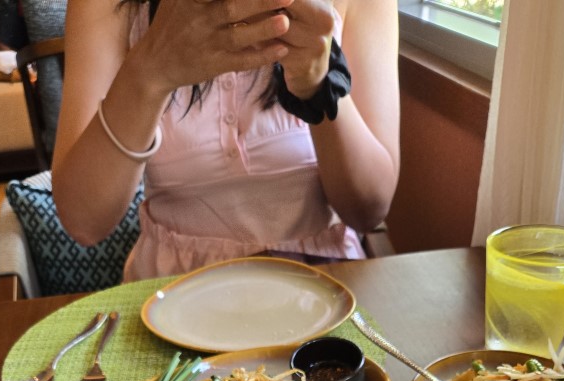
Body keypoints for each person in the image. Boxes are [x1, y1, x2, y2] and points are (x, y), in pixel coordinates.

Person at [52, 0, 400, 281]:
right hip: (169, 300)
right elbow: (84, 222)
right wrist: (150, 71)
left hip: (324, 290)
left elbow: (369, 209)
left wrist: (318, 86)